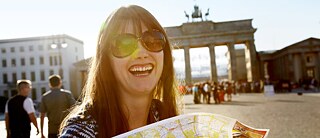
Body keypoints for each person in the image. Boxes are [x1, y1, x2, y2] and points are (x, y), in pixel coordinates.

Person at [59, 5, 181, 137]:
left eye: (153, 40)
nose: (141, 53)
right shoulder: (80, 132)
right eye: (124, 44)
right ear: (106, 60)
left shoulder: (173, 121)